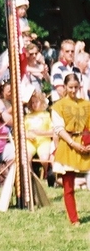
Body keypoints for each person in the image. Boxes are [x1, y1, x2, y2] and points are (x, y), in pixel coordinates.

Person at [51, 72, 90, 224]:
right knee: (68, 186)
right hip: (68, 146)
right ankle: (74, 219)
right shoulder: (58, 106)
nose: (73, 90)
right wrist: (74, 144)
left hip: (86, 143)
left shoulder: (86, 104)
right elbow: (59, 129)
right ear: (65, 87)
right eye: (70, 87)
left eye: (76, 87)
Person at [24, 91, 54, 167]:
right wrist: (27, 135)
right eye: (32, 102)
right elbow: (22, 131)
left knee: (44, 159)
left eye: (36, 102)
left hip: (43, 141)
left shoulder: (47, 115)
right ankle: (29, 176)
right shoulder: (27, 116)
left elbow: (53, 132)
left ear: (42, 102)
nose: (34, 104)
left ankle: (46, 172)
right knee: (26, 157)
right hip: (30, 141)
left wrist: (41, 133)